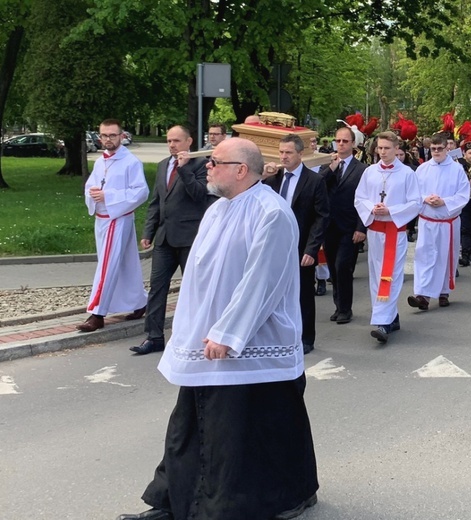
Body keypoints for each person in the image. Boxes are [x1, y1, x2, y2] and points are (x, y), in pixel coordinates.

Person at [117, 138, 319, 520]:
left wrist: (229, 333)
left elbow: (263, 282)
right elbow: (200, 278)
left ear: (241, 170)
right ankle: (176, 500)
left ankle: (277, 498)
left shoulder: (271, 213)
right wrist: (189, 330)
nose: (206, 167)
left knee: (246, 431)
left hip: (252, 341)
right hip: (207, 339)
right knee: (190, 424)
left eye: (215, 161)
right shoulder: (216, 210)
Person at [130, 125, 215, 355]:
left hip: (190, 237)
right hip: (164, 238)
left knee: (194, 289)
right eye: (169, 141)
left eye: (177, 141)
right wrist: (148, 232)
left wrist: (184, 168)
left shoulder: (202, 164)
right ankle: (154, 337)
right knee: (157, 288)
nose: (172, 145)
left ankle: (197, 336)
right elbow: (157, 201)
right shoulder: (162, 166)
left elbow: (199, 194)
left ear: (189, 142)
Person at [77, 119, 149, 333]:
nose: (108, 139)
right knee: (126, 263)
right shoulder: (101, 162)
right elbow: (92, 184)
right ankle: (139, 302)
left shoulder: (131, 162)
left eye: (112, 135)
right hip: (102, 217)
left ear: (121, 136)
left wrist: (108, 195)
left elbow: (141, 192)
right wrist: (92, 193)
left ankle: (97, 313)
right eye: (104, 135)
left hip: (117, 218)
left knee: (107, 266)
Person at [263, 134, 329, 354]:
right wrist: (264, 174)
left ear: (300, 154)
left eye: (288, 152)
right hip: (273, 245)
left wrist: (312, 249)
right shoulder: (272, 178)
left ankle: (306, 338)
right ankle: (277, 335)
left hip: (301, 246)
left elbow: (321, 217)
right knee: (272, 292)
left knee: (302, 294)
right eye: (281, 152)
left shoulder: (314, 181)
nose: (284, 157)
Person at [355, 131, 422, 343]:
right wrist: (372, 208)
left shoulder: (407, 174)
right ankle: (390, 317)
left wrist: (391, 210)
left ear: (396, 149)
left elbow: (415, 203)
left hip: (394, 230)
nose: (382, 152)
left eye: (386, 148)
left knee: (390, 276)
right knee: (376, 275)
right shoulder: (370, 172)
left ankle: (382, 323)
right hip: (375, 231)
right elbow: (360, 197)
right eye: (379, 148)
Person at [409, 134, 470, 310]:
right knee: (425, 257)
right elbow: (413, 193)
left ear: (447, 149)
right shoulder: (422, 169)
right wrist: (425, 198)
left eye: (439, 149)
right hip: (427, 221)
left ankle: (443, 292)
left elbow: (463, 195)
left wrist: (444, 202)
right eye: (433, 149)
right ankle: (422, 295)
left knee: (444, 257)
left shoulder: (457, 169)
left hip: (447, 221)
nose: (436, 152)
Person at [317, 127, 368, 324]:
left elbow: (365, 201)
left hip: (350, 226)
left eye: (345, 141)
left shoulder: (362, 169)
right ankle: (338, 305)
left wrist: (361, 228)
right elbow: (317, 185)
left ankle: (346, 308)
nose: (340, 144)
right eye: (337, 141)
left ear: (353, 144)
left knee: (343, 267)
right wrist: (331, 168)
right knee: (333, 267)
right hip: (329, 226)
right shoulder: (327, 165)